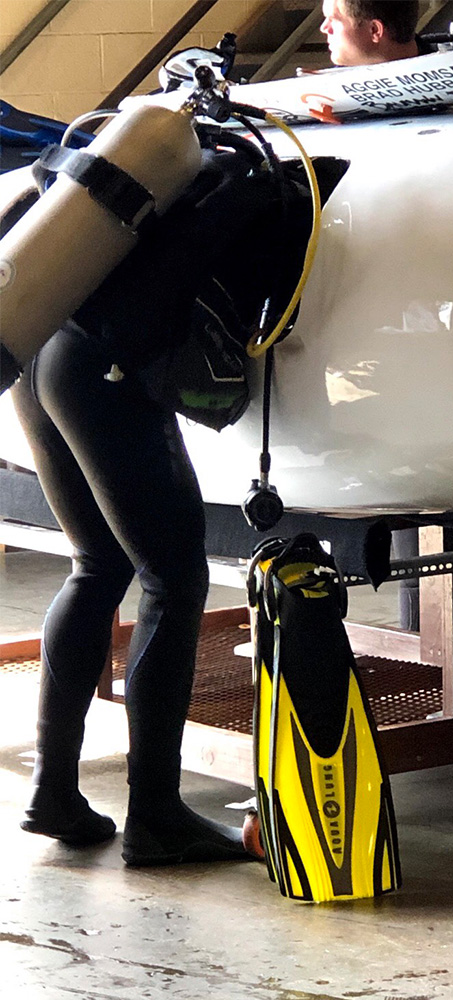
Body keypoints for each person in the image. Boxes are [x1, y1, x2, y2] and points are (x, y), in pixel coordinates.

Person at [9, 147, 284, 866]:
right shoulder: (242, 179)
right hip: (102, 368)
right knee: (174, 580)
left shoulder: (135, 166)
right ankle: (158, 816)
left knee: (96, 565)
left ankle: (53, 793)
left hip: (40, 349)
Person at [321, 0, 453, 644]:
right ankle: (419, 646)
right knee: (402, 495)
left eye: (333, 19)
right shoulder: (329, 107)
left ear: (375, 31)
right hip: (383, 327)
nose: (321, 30)